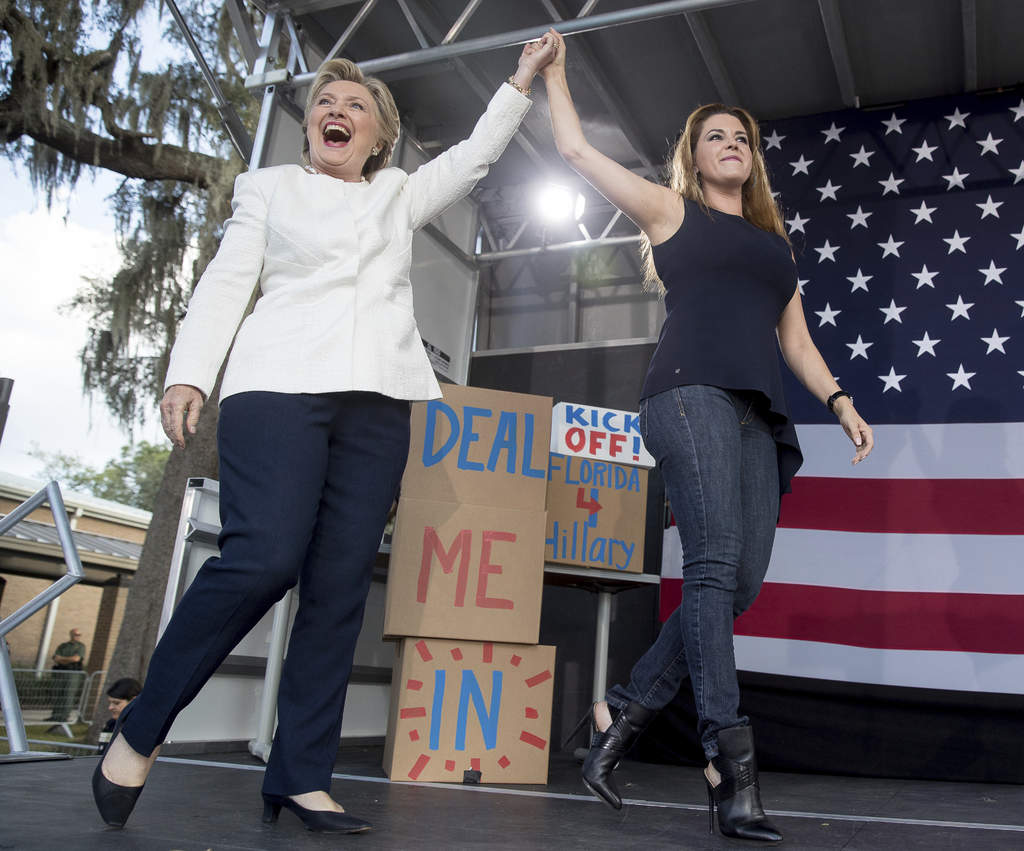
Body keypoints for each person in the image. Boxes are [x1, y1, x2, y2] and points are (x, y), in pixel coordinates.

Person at [92, 36, 556, 835]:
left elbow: (476, 156)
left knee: (340, 588)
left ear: (379, 137)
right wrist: (188, 371)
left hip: (377, 404)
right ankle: (142, 725)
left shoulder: (398, 194)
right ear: (311, 127)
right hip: (277, 387)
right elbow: (226, 281)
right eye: (325, 105)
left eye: (355, 107)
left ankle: (302, 775)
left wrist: (520, 80)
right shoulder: (268, 188)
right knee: (264, 558)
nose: (335, 112)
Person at [540, 29, 873, 843]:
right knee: (714, 567)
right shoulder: (671, 212)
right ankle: (729, 765)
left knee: (737, 584)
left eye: (742, 138)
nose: (731, 144)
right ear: (693, 157)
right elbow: (576, 150)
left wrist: (839, 399)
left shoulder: (776, 247)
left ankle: (619, 719)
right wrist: (555, 73)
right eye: (715, 136)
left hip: (759, 412)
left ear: (754, 160)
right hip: (688, 395)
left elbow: (797, 342)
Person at [48, 627, 86, 721]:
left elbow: (76, 659)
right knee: (57, 693)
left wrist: (63, 659)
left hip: (73, 674)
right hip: (61, 672)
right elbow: (56, 658)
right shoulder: (63, 646)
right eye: (76, 634)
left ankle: (64, 716)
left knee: (68, 694)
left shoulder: (80, 646)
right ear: (71, 635)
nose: (78, 636)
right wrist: (68, 659)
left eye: (79, 635)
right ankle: (55, 715)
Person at [97, 678, 142, 755]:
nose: (110, 708)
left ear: (134, 701)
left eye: (116, 703)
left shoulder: (143, 729)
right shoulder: (110, 725)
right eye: (110, 703)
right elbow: (101, 753)